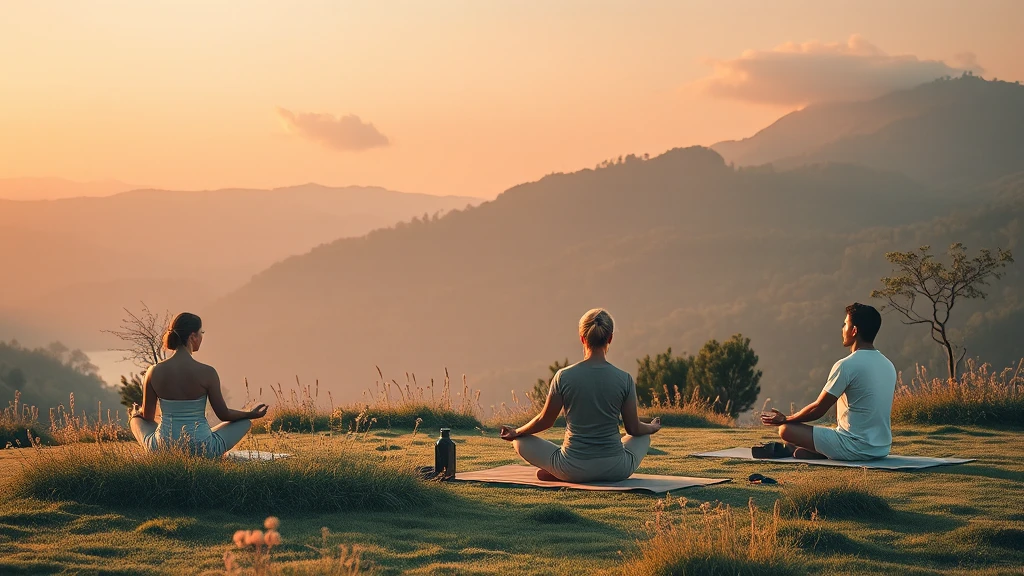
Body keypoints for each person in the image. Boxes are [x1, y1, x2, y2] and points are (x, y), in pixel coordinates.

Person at [500, 308, 662, 482]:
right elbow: (634, 429)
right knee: (643, 436)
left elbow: (545, 421)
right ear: (610, 338)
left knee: (520, 441)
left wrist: (516, 432)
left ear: (582, 338)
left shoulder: (563, 376)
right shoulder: (625, 379)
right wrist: (652, 427)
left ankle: (556, 471)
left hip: (571, 469)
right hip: (616, 469)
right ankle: (559, 471)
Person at [759, 302, 896, 461]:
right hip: (881, 449)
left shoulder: (846, 365)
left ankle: (806, 448)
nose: (843, 329)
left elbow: (818, 409)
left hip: (854, 447)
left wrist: (786, 419)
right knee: (821, 433)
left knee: (786, 429)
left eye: (845, 324)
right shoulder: (888, 365)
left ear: (854, 330)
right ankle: (810, 450)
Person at [129, 312, 268, 458]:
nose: (202, 337)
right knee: (244, 422)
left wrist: (137, 413)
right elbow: (224, 414)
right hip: (203, 448)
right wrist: (250, 414)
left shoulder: (153, 371)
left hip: (163, 448)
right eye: (201, 333)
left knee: (136, 419)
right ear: (192, 336)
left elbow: (148, 417)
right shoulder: (208, 372)